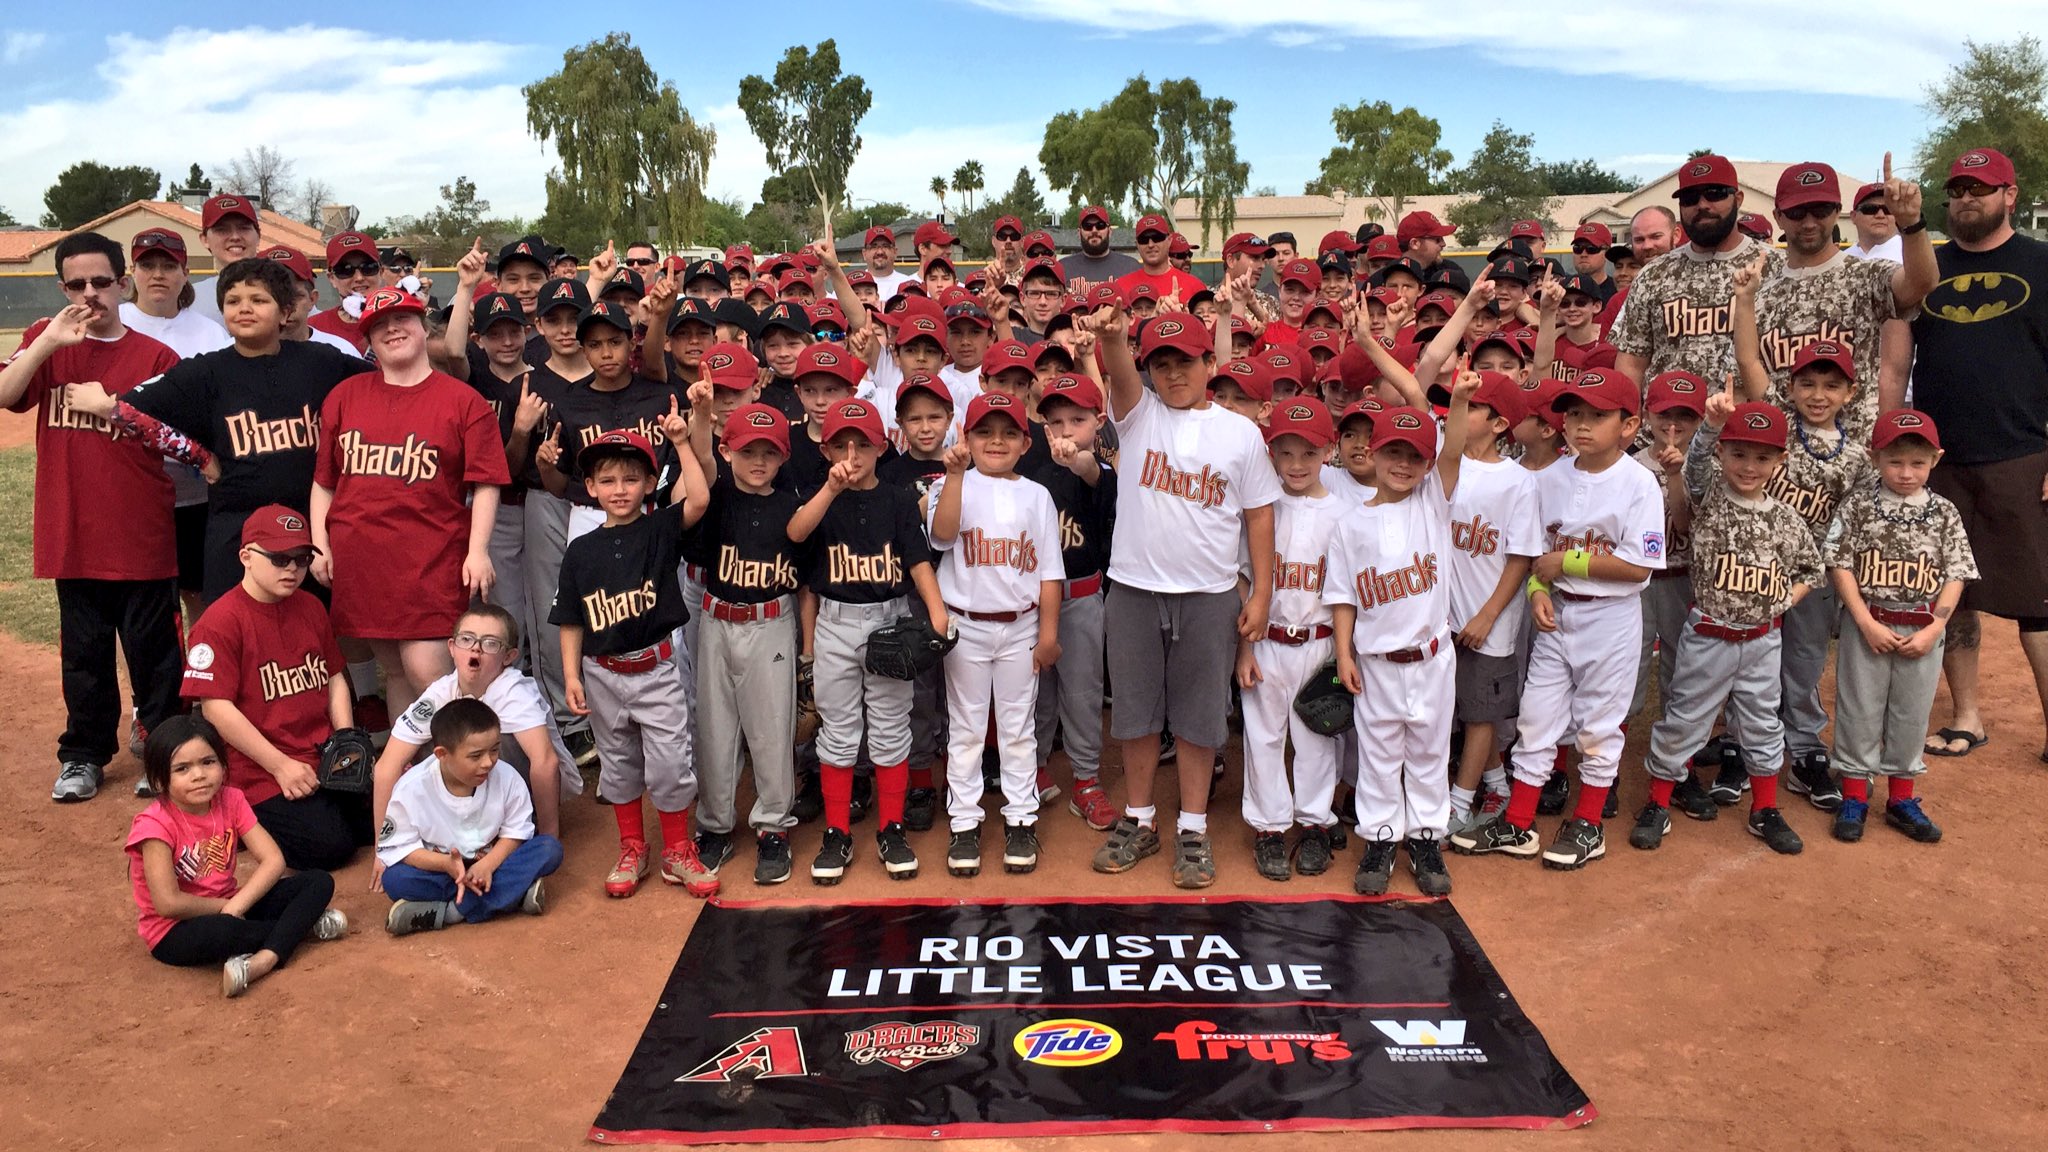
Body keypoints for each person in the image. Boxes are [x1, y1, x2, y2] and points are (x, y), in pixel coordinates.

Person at [1091, 309, 1280, 888]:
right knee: (1137, 715)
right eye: (1162, 365)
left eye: (1185, 362)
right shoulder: (1137, 415)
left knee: (1200, 720)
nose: (1173, 374)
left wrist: (1264, 590)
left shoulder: (1240, 433)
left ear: (1210, 364)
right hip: (1134, 588)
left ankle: (1193, 826)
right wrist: (1113, 338)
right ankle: (1140, 818)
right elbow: (1121, 371)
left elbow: (1259, 516)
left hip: (1209, 594)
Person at [1450, 371, 1662, 869]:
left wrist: (1564, 565)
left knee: (1598, 724)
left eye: (1597, 415)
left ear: (1629, 425)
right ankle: (1519, 822)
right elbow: (1533, 550)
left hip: (1611, 617)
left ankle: (1589, 824)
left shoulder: (1639, 483)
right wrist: (1539, 587)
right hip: (1559, 613)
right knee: (1536, 718)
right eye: (1573, 414)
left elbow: (1639, 565)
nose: (1581, 425)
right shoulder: (1547, 479)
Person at [2, 231, 184, 803]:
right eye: (76, 284)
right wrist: (48, 344)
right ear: (61, 288)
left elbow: (184, 441)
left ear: (123, 283)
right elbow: (6, 395)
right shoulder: (46, 341)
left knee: (155, 657)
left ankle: (161, 755)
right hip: (73, 531)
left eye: (101, 282)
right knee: (83, 657)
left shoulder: (156, 356)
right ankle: (83, 754)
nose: (89, 293)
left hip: (142, 531)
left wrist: (117, 410)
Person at [85, 259, 364, 604]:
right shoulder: (206, 371)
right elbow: (130, 412)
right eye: (233, 301)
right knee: (236, 625)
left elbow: (378, 383)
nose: (244, 308)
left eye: (258, 300)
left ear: (285, 312)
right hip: (238, 528)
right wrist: (199, 457)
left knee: (313, 629)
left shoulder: (320, 361)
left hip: (308, 526)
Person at [1909, 147, 2048, 762]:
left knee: (2036, 599)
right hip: (1940, 460)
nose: (1967, 198)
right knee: (1952, 596)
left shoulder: (2041, 264)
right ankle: (1967, 716)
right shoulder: (1929, 268)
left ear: (2010, 195)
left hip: (2021, 453)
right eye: (1958, 189)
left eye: (1982, 188)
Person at [312, 287, 510, 719]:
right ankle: (414, 775)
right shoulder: (345, 396)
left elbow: (487, 483)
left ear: (424, 328)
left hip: (431, 556)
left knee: (429, 673)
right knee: (396, 671)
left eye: (402, 319)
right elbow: (325, 482)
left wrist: (478, 550)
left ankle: (470, 765)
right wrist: (319, 543)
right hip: (364, 560)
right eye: (379, 325)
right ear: (367, 340)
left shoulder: (462, 400)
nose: (391, 329)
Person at [788, 399, 950, 883]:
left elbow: (918, 560)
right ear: (826, 447)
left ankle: (891, 828)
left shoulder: (899, 499)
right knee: (837, 733)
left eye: (863, 444)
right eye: (842, 444)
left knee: (890, 728)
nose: (852, 454)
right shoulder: (820, 496)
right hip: (836, 620)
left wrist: (937, 613)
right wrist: (829, 489)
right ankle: (837, 832)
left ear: (883, 446)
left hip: (889, 620)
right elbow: (796, 533)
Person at [1330, 376, 1478, 895]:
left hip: (1432, 659)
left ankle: (1424, 838)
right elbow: (1344, 596)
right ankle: (1379, 837)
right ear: (1373, 452)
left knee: (1429, 755)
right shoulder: (1349, 524)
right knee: (1378, 756)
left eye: (1415, 456)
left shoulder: (1432, 505)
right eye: (1393, 451)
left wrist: (1458, 401)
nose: (1403, 464)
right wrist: (1343, 651)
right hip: (1376, 663)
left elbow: (1453, 452)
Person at [550, 429, 713, 898]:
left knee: (669, 764)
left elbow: (699, 499)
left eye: (630, 478)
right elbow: (570, 618)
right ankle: (632, 847)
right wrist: (570, 674)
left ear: (647, 483)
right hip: (603, 673)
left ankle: (678, 850)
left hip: (656, 670)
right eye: (608, 479)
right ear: (592, 487)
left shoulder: (659, 528)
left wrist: (683, 442)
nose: (619, 488)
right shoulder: (581, 550)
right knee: (618, 765)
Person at [927, 393, 1064, 877]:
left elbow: (1050, 572)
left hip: (1021, 625)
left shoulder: (1037, 495)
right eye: (985, 432)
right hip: (965, 623)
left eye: (1008, 433)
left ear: (1026, 442)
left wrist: (1049, 634)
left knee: (1017, 730)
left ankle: (1020, 816)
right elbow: (942, 536)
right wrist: (957, 477)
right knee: (965, 730)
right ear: (966, 438)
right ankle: (964, 823)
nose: (996, 441)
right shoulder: (951, 483)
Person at [182, 505, 362, 871]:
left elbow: (333, 676)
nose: (293, 569)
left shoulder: (311, 606)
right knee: (332, 847)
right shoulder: (220, 622)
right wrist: (280, 766)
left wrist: (343, 741)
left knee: (385, 817)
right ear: (246, 556)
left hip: (320, 759)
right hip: (261, 773)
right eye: (280, 559)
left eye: (301, 558)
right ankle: (240, 817)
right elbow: (215, 708)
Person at [1826, 409, 1974, 843]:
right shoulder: (1858, 504)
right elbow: (1839, 562)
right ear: (1875, 458)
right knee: (1860, 708)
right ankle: (1854, 795)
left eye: (1917, 462)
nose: (1906, 472)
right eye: (1895, 461)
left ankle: (1900, 798)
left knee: (1911, 712)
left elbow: (1956, 574)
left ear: (1935, 459)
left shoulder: (1944, 512)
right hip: (1869, 622)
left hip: (1923, 627)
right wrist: (1862, 620)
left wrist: (1934, 629)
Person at [126, 714, 347, 998]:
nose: (199, 775)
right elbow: (168, 903)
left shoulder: (231, 799)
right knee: (223, 933)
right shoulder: (154, 825)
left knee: (318, 881)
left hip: (232, 904)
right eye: (182, 768)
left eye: (208, 762)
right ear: (158, 779)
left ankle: (262, 960)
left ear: (223, 764)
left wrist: (237, 905)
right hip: (176, 929)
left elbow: (273, 860)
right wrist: (225, 909)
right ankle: (302, 928)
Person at [681, 392, 806, 887]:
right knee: (714, 727)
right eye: (748, 450)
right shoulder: (714, 497)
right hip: (714, 620)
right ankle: (715, 824)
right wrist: (699, 420)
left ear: (783, 456)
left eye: (769, 452)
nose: (759, 461)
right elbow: (703, 461)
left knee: (772, 728)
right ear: (728, 450)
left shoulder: (793, 506)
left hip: (771, 620)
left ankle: (773, 826)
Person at [370, 602, 577, 862]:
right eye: (466, 639)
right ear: (452, 648)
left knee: (499, 740)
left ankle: (507, 836)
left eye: (490, 643)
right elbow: (387, 766)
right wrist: (382, 849)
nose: (476, 648)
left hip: (515, 800)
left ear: (509, 657)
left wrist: (549, 835)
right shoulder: (440, 692)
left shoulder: (514, 691)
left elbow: (544, 762)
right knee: (431, 746)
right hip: (459, 804)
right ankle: (457, 842)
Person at [1235, 399, 1344, 881]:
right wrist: (1245, 646)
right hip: (1267, 640)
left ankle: (1316, 824)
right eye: (1286, 452)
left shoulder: (1344, 512)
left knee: (1318, 739)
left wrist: (1344, 654)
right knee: (1263, 738)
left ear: (1329, 450)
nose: (1297, 464)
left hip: (1319, 641)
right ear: (1271, 453)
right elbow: (1242, 579)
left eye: (1309, 452)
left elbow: (1348, 596)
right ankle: (1269, 828)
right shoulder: (1260, 508)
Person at [1444, 373, 1541, 836]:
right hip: (1442, 613)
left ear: (1500, 423)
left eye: (1474, 407)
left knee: (1481, 713)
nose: (1459, 413)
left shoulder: (1517, 481)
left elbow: (1521, 556)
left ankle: (1460, 802)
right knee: (1459, 705)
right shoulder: (1445, 465)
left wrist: (1487, 615)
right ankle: (1497, 781)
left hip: (1491, 618)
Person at [379, 698, 565, 935]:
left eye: (495, 750)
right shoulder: (411, 789)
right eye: (475, 756)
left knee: (548, 849)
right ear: (442, 754)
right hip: (443, 871)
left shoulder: (507, 778)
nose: (488, 762)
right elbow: (401, 849)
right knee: (395, 879)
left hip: (493, 865)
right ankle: (511, 897)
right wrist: (446, 864)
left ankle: (449, 913)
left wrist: (487, 865)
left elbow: (516, 833)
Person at [121, 227, 231, 630]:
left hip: (196, 492)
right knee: (137, 602)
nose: (158, 274)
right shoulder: (115, 323)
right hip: (132, 488)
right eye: (147, 265)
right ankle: (144, 693)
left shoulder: (207, 331)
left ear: (186, 273)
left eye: (169, 265)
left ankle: (202, 686)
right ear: (131, 272)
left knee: (199, 593)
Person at [1024, 375, 1117, 829]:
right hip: (1033, 604)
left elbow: (1093, 473)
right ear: (1043, 428)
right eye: (1056, 422)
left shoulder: (1100, 472)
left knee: (1082, 694)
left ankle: (1086, 778)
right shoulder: (1029, 476)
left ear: (1098, 423)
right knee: (1035, 695)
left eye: (1077, 421)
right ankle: (1034, 766)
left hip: (1081, 596)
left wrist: (1080, 460)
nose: (1065, 431)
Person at [1614, 155, 1784, 390]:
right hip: (1669, 421)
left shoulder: (1777, 266)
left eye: (1715, 193)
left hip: (1750, 421)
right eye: (1691, 198)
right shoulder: (1654, 274)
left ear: (1738, 198)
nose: (1703, 205)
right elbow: (1631, 364)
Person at [256, 245, 363, 357]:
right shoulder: (236, 354)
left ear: (312, 299)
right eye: (267, 298)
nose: (283, 306)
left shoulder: (342, 353)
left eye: (294, 296)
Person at [187, 194, 263, 327]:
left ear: (258, 235)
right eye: (222, 230)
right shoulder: (190, 299)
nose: (235, 237)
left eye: (244, 228)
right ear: (204, 239)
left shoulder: (285, 290)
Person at [307, 231, 383, 354]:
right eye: (345, 270)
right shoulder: (312, 328)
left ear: (381, 271)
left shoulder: (405, 321)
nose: (359, 278)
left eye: (368, 267)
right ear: (331, 278)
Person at [1059, 205, 1139, 283]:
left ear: (1110, 231)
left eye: (1100, 225)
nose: (1094, 230)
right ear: (1079, 233)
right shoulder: (1062, 268)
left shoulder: (1131, 267)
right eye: (1088, 226)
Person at [1845, 182, 1904, 263]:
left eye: (1888, 209)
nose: (1880, 215)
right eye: (1870, 209)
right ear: (1854, 216)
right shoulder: (1843, 260)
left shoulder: (1912, 253)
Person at [1568, 224, 1619, 301]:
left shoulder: (1617, 292)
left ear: (1607, 253)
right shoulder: (1561, 290)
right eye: (1577, 248)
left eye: (1591, 249)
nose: (1583, 254)